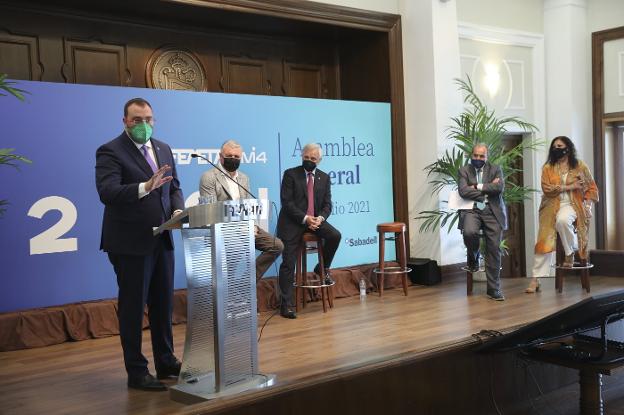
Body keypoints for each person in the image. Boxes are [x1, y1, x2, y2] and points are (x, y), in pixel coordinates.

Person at [95, 98, 184, 391]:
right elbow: (108, 192)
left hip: (163, 238)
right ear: (125, 121)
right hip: (130, 243)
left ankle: (166, 361)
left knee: (162, 304)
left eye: (148, 119)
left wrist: (176, 210)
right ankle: (136, 371)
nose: (143, 124)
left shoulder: (163, 148)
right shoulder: (110, 151)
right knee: (133, 308)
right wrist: (146, 187)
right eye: (137, 120)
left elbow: (175, 188)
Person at [199, 140, 284, 281]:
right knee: (233, 255)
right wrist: (238, 228)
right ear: (220, 156)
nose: (233, 159)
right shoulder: (209, 177)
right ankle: (230, 290)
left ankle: (247, 281)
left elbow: (248, 206)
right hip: (222, 230)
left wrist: (253, 225)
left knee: (276, 245)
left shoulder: (244, 178)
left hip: (244, 227)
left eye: (237, 157)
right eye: (229, 155)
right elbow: (210, 213)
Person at [525, 136, 599, 293]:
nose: (556, 149)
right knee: (543, 239)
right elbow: (547, 189)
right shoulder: (548, 168)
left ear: (568, 148)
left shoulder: (580, 166)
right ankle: (535, 279)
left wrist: (587, 204)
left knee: (562, 221)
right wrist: (570, 186)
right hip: (550, 206)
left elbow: (591, 188)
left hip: (573, 204)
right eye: (554, 146)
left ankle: (570, 252)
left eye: (560, 146)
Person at [276, 143, 341, 319]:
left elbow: (328, 204)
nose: (309, 161)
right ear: (302, 156)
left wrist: (320, 218)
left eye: (313, 159)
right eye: (306, 158)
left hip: (315, 220)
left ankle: (322, 267)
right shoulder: (290, 174)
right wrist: (306, 218)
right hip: (293, 221)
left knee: (335, 236)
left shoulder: (324, 178)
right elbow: (287, 203)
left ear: (319, 160)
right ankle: (287, 304)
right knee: (289, 262)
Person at [458, 143, 507, 301]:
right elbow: (463, 191)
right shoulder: (464, 170)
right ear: (471, 155)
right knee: (469, 232)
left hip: (492, 211)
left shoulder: (495, 169)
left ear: (487, 157)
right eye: (475, 156)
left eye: (481, 156)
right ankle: (474, 255)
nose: (478, 159)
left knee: (493, 248)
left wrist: (477, 186)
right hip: (472, 209)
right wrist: (484, 192)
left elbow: (499, 188)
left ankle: (494, 289)